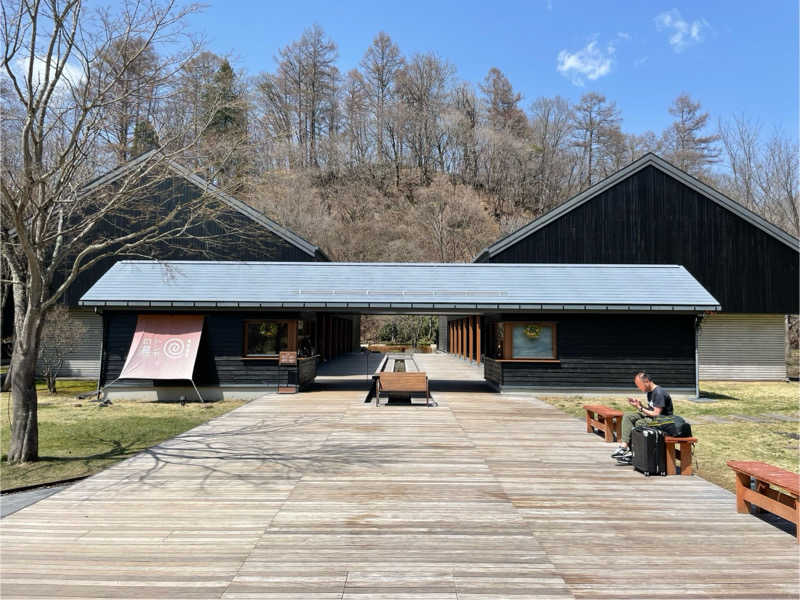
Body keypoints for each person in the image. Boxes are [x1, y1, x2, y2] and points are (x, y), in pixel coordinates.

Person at [611, 371, 673, 464]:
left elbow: (656, 413)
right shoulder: (649, 392)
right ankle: (624, 447)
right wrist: (639, 405)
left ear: (647, 381)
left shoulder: (659, 392)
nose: (638, 388)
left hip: (662, 421)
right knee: (628, 416)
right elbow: (651, 409)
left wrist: (640, 408)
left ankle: (634, 453)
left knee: (639, 423)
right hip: (652, 418)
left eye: (639, 385)